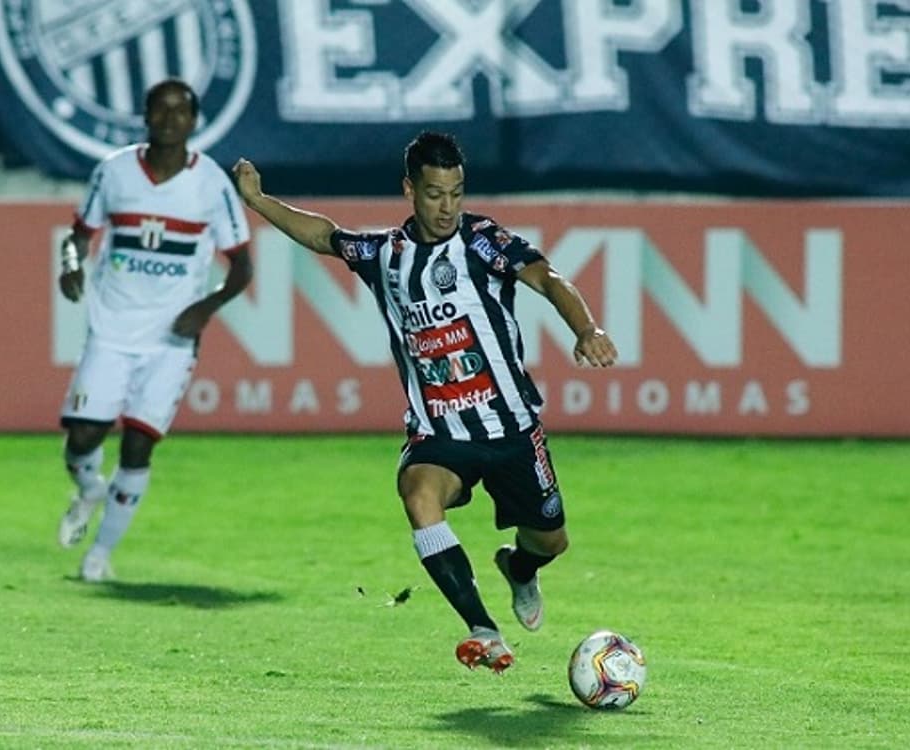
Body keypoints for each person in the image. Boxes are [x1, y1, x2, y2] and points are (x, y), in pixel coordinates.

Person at [232, 132, 617, 673]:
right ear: (410, 189)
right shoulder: (386, 255)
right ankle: (484, 629)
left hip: (510, 427)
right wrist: (258, 202)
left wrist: (586, 328)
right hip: (440, 431)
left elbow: (549, 279)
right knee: (417, 492)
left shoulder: (483, 242)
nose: (448, 207)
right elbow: (325, 237)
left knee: (550, 540)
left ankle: (520, 570)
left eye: (457, 193)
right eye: (436, 194)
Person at [55, 79, 253, 582]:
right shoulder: (115, 171)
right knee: (83, 438)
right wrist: (71, 263)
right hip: (112, 331)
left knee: (138, 445)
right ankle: (88, 489)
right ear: (144, 116)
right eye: (160, 110)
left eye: (180, 111)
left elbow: (243, 267)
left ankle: (99, 556)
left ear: (194, 120)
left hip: (171, 339)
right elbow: (78, 236)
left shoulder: (210, 182)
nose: (169, 119)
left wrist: (205, 307)